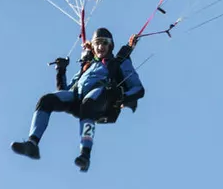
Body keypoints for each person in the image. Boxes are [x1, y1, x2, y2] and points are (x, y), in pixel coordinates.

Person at [10, 27, 144, 172]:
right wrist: (61, 70)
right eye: (97, 43)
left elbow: (138, 88)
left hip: (101, 99)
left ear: (110, 46)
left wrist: (121, 98)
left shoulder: (118, 62)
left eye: (104, 43)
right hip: (78, 99)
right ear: (92, 46)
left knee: (88, 103)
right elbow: (65, 90)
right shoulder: (87, 67)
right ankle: (32, 144)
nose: (100, 47)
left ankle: (85, 156)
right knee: (46, 100)